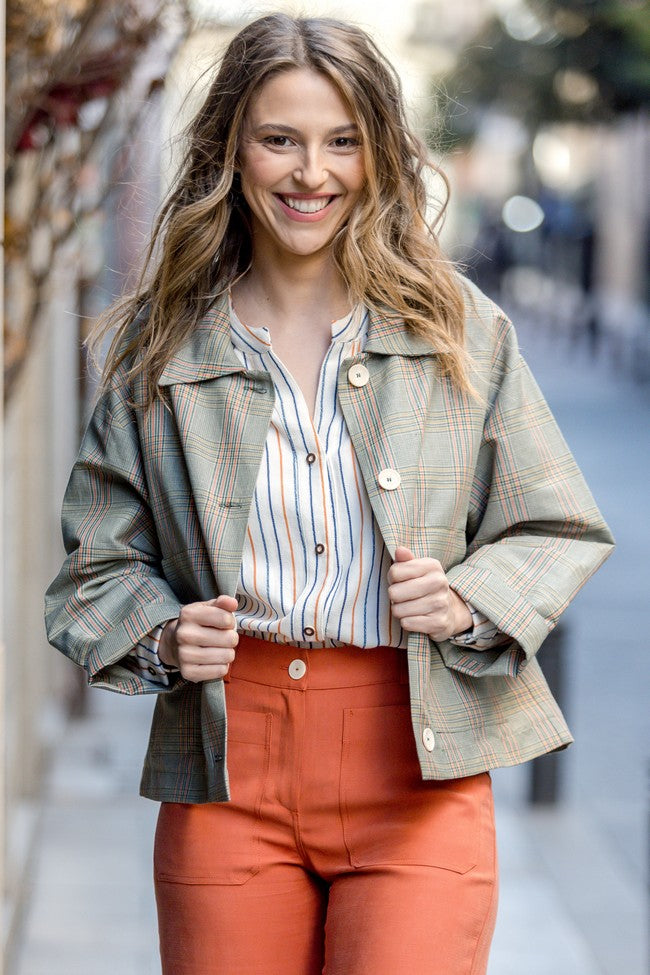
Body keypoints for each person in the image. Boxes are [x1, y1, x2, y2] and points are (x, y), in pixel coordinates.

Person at [44, 13, 614, 975]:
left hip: (416, 764)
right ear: (233, 148)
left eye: (342, 140)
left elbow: (556, 525)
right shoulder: (158, 348)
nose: (313, 173)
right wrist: (163, 633)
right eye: (281, 139)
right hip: (229, 767)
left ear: (379, 153)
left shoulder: (458, 331)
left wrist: (469, 598)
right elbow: (93, 568)